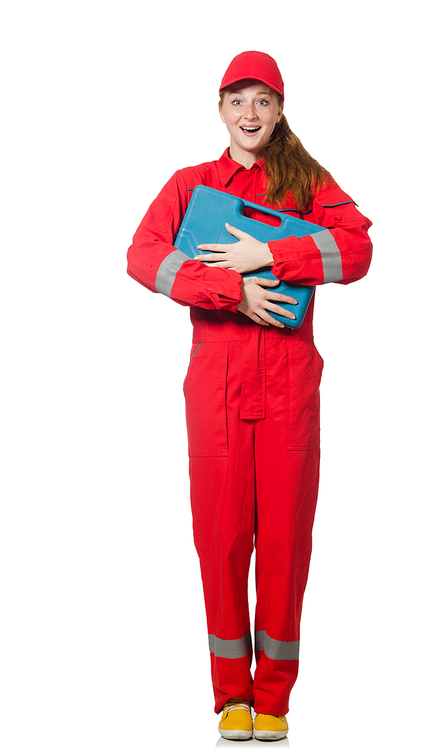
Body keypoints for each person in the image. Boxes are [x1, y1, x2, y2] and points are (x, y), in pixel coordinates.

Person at [127, 50, 372, 742]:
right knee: (223, 541)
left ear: (281, 108)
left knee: (287, 546)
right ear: (220, 108)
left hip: (291, 387)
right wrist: (228, 288)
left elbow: (357, 251)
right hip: (217, 392)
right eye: (239, 100)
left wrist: (271, 254)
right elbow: (143, 255)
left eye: (264, 100)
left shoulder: (307, 183)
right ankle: (231, 694)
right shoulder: (192, 185)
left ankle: (275, 698)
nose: (251, 113)